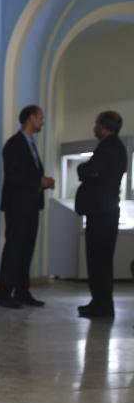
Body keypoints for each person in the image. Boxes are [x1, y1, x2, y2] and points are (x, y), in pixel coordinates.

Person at [0, 105, 55, 308]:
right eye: (40, 117)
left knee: (27, 249)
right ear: (31, 118)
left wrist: (43, 182)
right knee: (14, 248)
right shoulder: (14, 144)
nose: (42, 122)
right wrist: (39, 181)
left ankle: (22, 291)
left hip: (30, 205)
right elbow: (13, 176)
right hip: (17, 206)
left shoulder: (30, 144)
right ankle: (4, 293)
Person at [75, 111, 127, 319]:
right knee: (97, 260)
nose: (94, 127)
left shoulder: (110, 147)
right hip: (103, 210)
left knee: (100, 260)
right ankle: (98, 302)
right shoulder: (112, 146)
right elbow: (90, 171)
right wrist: (87, 170)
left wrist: (84, 168)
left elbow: (90, 170)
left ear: (104, 127)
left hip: (102, 212)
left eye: (97, 124)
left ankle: (103, 305)